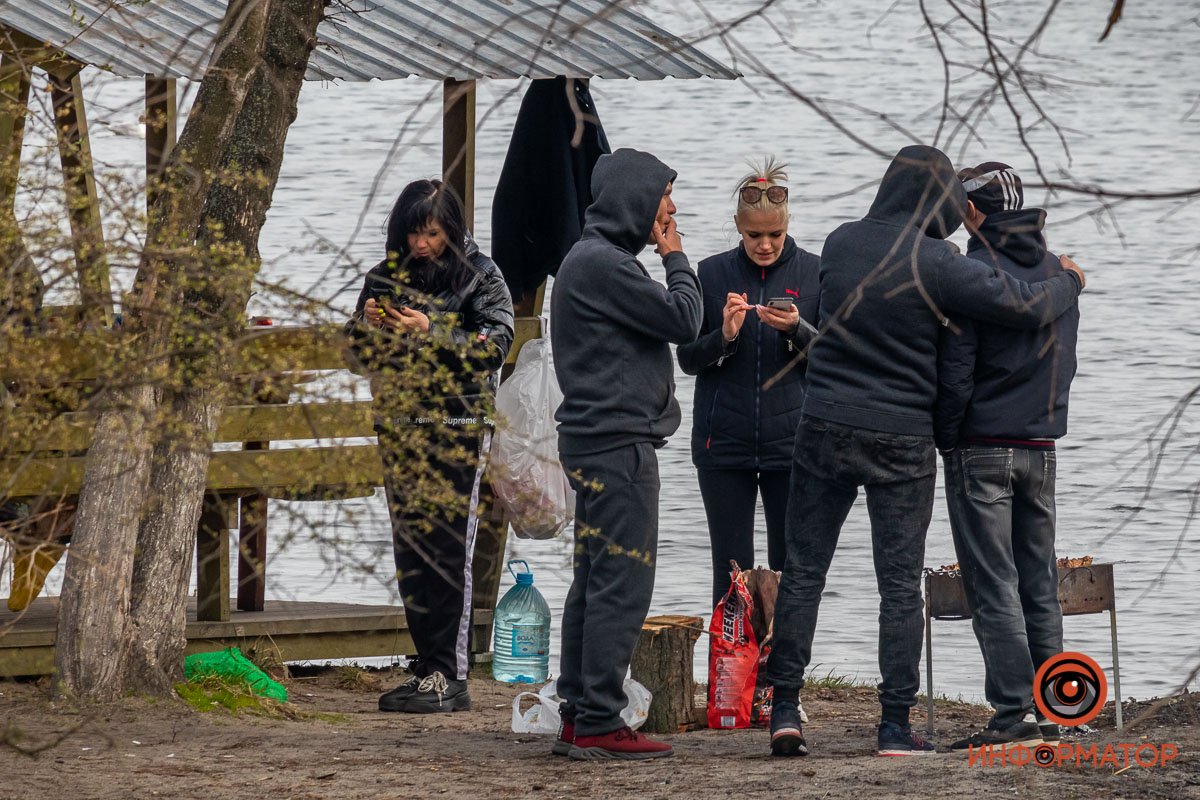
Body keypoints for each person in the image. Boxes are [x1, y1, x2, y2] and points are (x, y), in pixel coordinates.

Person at [764, 144, 1086, 758]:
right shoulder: (938, 260)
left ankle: (785, 711)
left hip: (824, 424)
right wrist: (1069, 279)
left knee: (804, 571)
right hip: (902, 438)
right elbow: (1025, 305)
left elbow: (831, 324)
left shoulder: (838, 241)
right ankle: (893, 726)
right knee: (899, 585)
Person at [550, 147, 702, 760]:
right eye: (664, 193)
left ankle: (578, 710)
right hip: (618, 448)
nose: (671, 207)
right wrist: (675, 255)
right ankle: (599, 720)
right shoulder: (607, 266)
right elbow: (685, 319)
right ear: (636, 198)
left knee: (593, 581)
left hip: (594, 442)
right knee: (622, 585)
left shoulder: (589, 261)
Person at [347, 178, 514, 714]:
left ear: (453, 229)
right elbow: (356, 355)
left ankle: (452, 673)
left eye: (434, 234)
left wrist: (433, 329)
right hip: (400, 425)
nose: (423, 245)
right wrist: (366, 328)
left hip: (459, 425)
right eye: (414, 234)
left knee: (447, 549)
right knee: (410, 549)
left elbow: (494, 346)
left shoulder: (482, 275)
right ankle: (428, 666)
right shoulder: (383, 277)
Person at [935, 163, 1080, 751]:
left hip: (982, 448)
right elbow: (1064, 362)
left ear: (972, 211)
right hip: (1042, 447)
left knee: (994, 583)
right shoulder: (1060, 272)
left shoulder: (971, 273)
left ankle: (1012, 712)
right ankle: (1057, 709)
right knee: (1038, 581)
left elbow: (957, 373)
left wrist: (947, 436)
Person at [677, 158, 819, 609]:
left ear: (787, 225)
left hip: (792, 446)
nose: (764, 245)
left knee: (788, 566)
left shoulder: (814, 273)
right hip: (724, 446)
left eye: (774, 235)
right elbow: (688, 359)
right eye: (753, 235)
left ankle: (783, 671)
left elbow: (832, 360)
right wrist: (725, 337)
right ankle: (730, 667)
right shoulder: (713, 273)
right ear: (738, 226)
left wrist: (797, 329)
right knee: (731, 566)